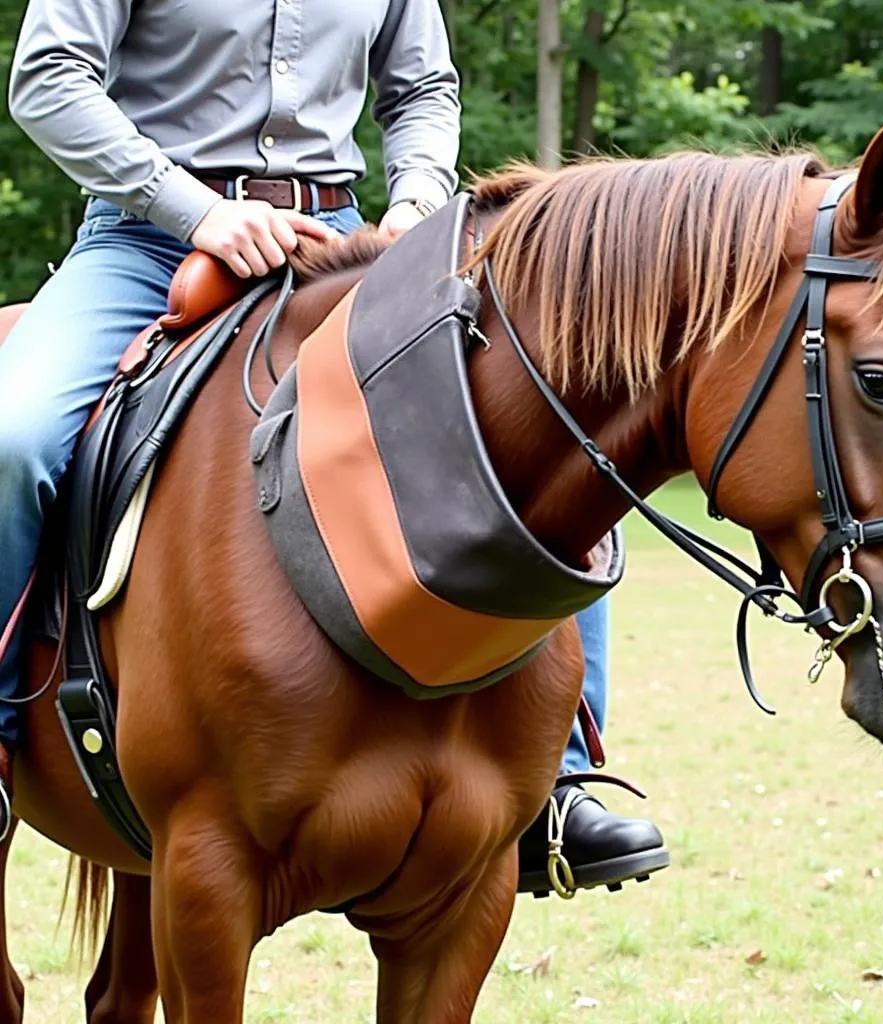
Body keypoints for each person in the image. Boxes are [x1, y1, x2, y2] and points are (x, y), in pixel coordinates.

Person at [0, 0, 665, 895]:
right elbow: (48, 80)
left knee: (541, 424)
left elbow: (424, 85)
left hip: (344, 242)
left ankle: (562, 778)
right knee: (15, 437)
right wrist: (199, 212)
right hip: (150, 242)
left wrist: (419, 203)